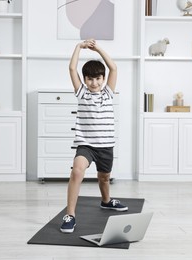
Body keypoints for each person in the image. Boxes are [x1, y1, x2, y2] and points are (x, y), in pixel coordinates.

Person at [60, 39, 128, 234]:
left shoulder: (108, 93)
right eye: (90, 79)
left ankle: (106, 202)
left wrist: (97, 48)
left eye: (98, 78)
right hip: (86, 145)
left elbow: (113, 68)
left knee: (104, 178)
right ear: (85, 80)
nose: (94, 82)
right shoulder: (81, 93)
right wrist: (78, 47)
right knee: (77, 171)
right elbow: (72, 69)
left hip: (106, 145)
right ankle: (70, 215)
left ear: (103, 79)